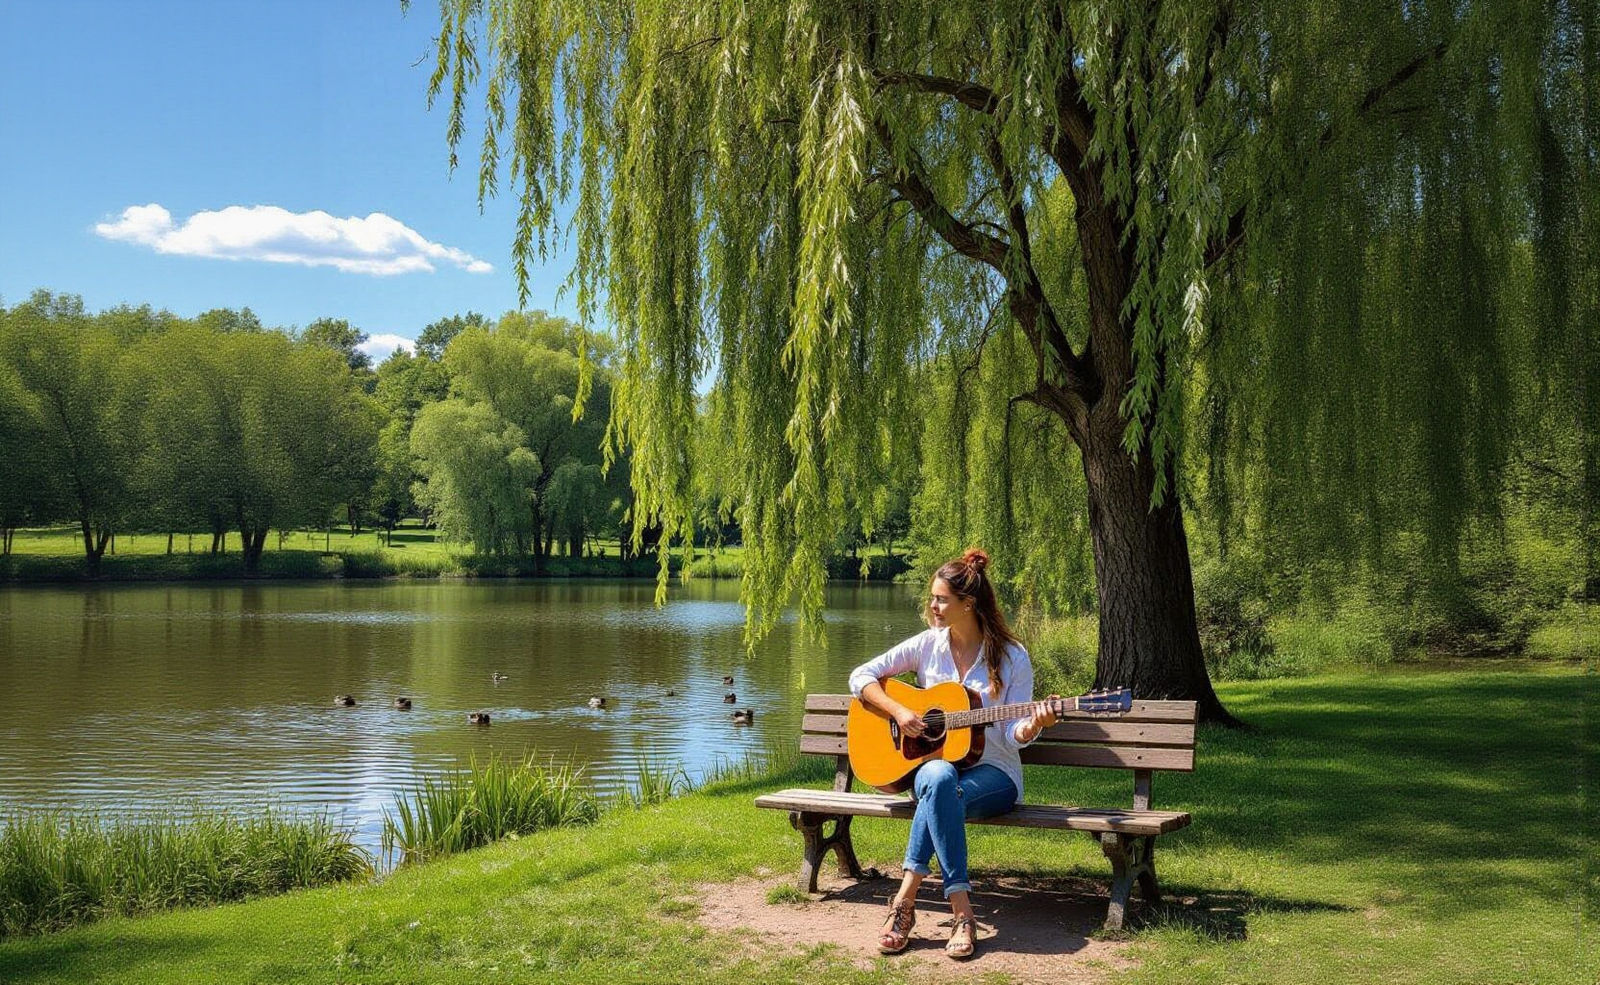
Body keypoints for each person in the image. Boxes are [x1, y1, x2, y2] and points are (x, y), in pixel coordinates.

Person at [848, 547, 1059, 960]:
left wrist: (1035, 724)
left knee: (938, 785)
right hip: (934, 772)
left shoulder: (1012, 657)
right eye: (933, 596)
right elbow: (861, 676)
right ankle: (962, 912)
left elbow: (1014, 736)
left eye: (942, 599)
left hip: (995, 774)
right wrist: (899, 710)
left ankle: (904, 903)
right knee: (938, 777)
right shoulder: (928, 645)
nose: (932, 605)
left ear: (969, 604)